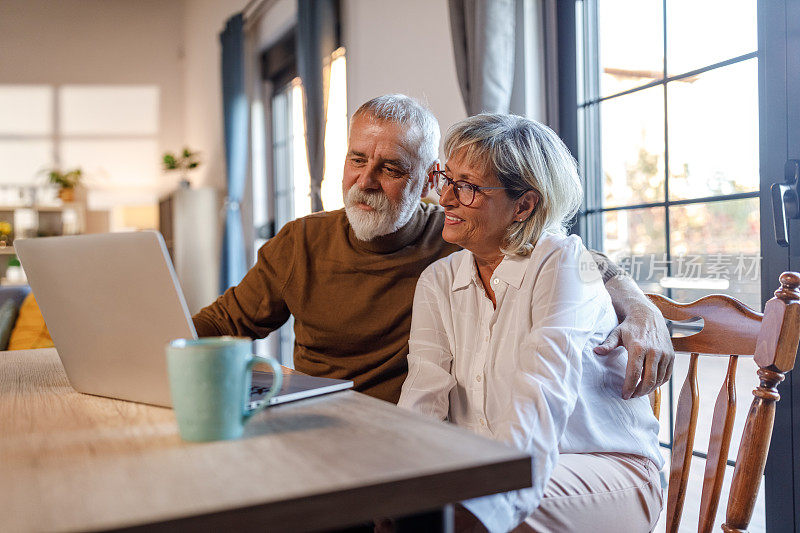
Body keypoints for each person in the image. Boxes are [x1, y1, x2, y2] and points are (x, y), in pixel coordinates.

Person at [193, 94, 673, 404]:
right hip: (314, 421)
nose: (365, 181)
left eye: (391, 168)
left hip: (406, 432)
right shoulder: (300, 241)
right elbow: (219, 326)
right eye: (357, 160)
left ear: (428, 180)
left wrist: (639, 305)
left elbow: (570, 258)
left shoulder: (458, 236)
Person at [398, 114, 663, 532]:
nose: (445, 197)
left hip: (606, 468)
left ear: (524, 204)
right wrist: (397, 486)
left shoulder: (564, 263)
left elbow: (542, 393)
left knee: (457, 513)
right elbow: (423, 397)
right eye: (446, 178)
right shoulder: (438, 280)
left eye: (466, 187)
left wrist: (488, 497)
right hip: (489, 468)